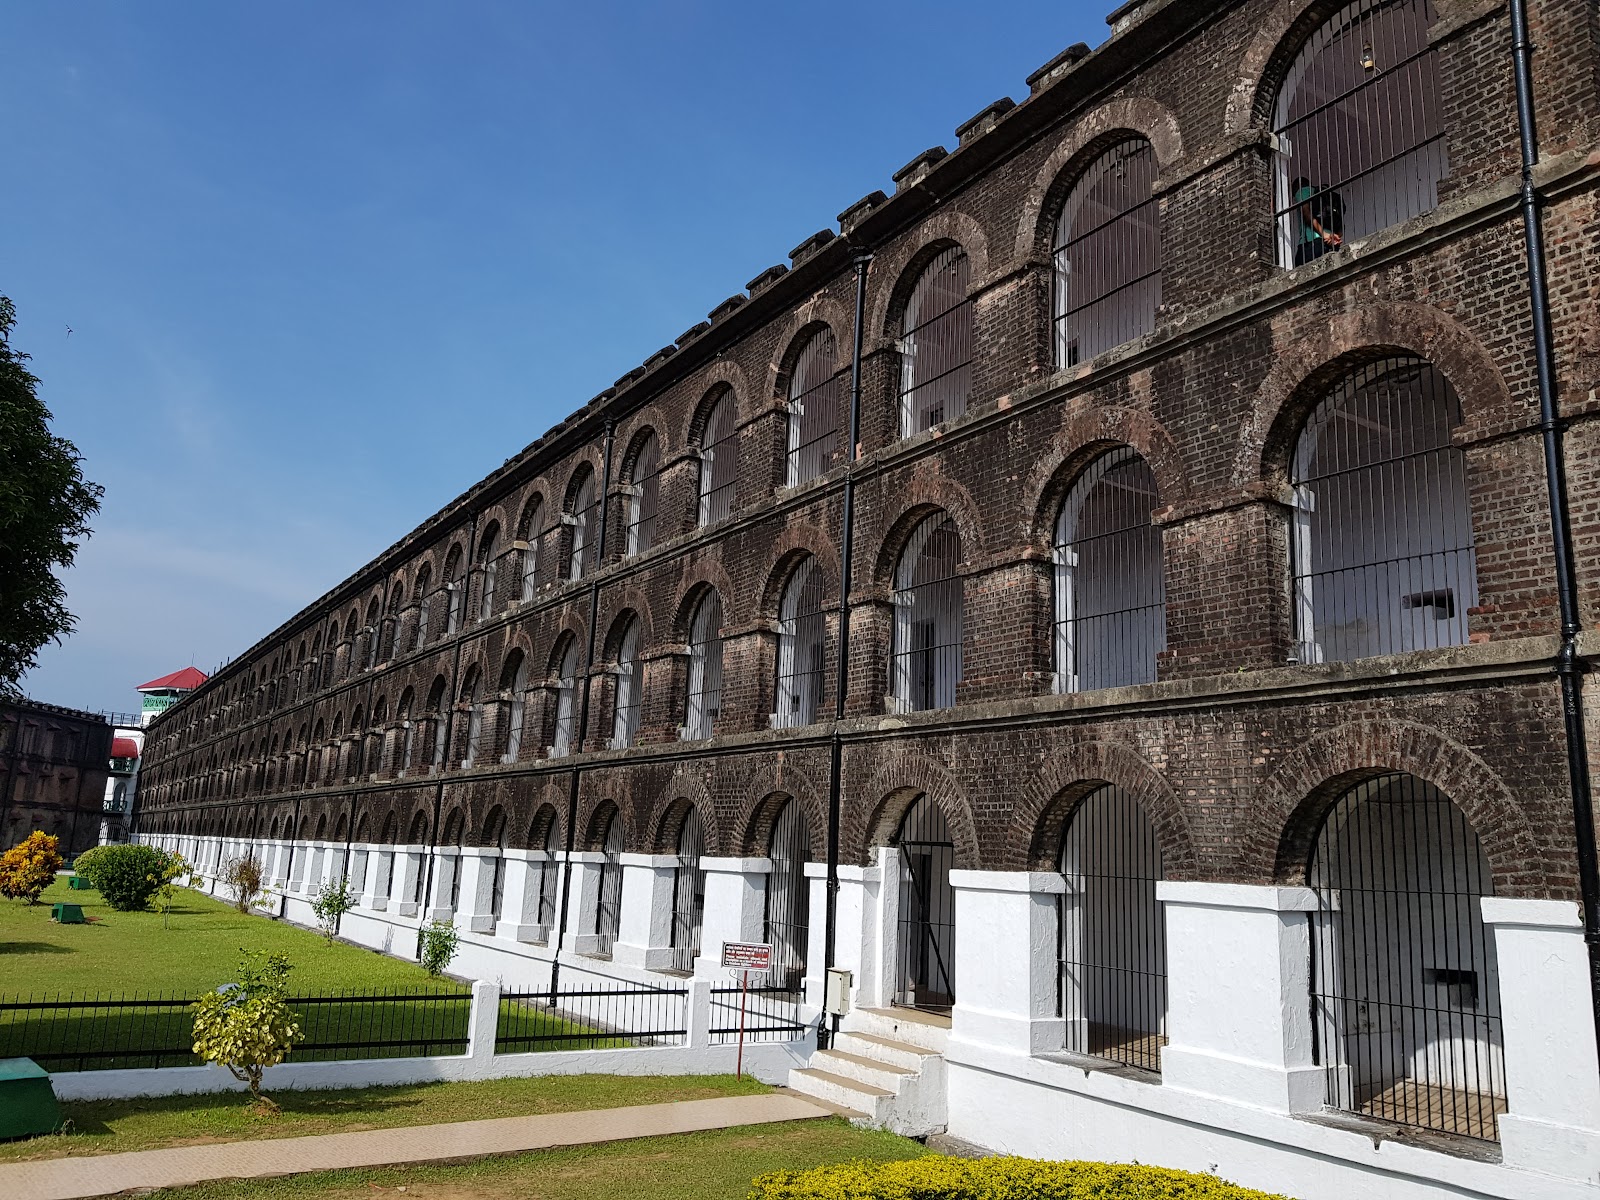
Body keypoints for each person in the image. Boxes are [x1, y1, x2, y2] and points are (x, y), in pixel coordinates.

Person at [1292, 176, 1344, 266]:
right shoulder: (1326, 196)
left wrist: (1324, 235)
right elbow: (1340, 223)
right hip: (1331, 242)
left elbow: (1307, 215)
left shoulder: (1303, 191)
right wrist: (1335, 237)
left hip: (1311, 243)